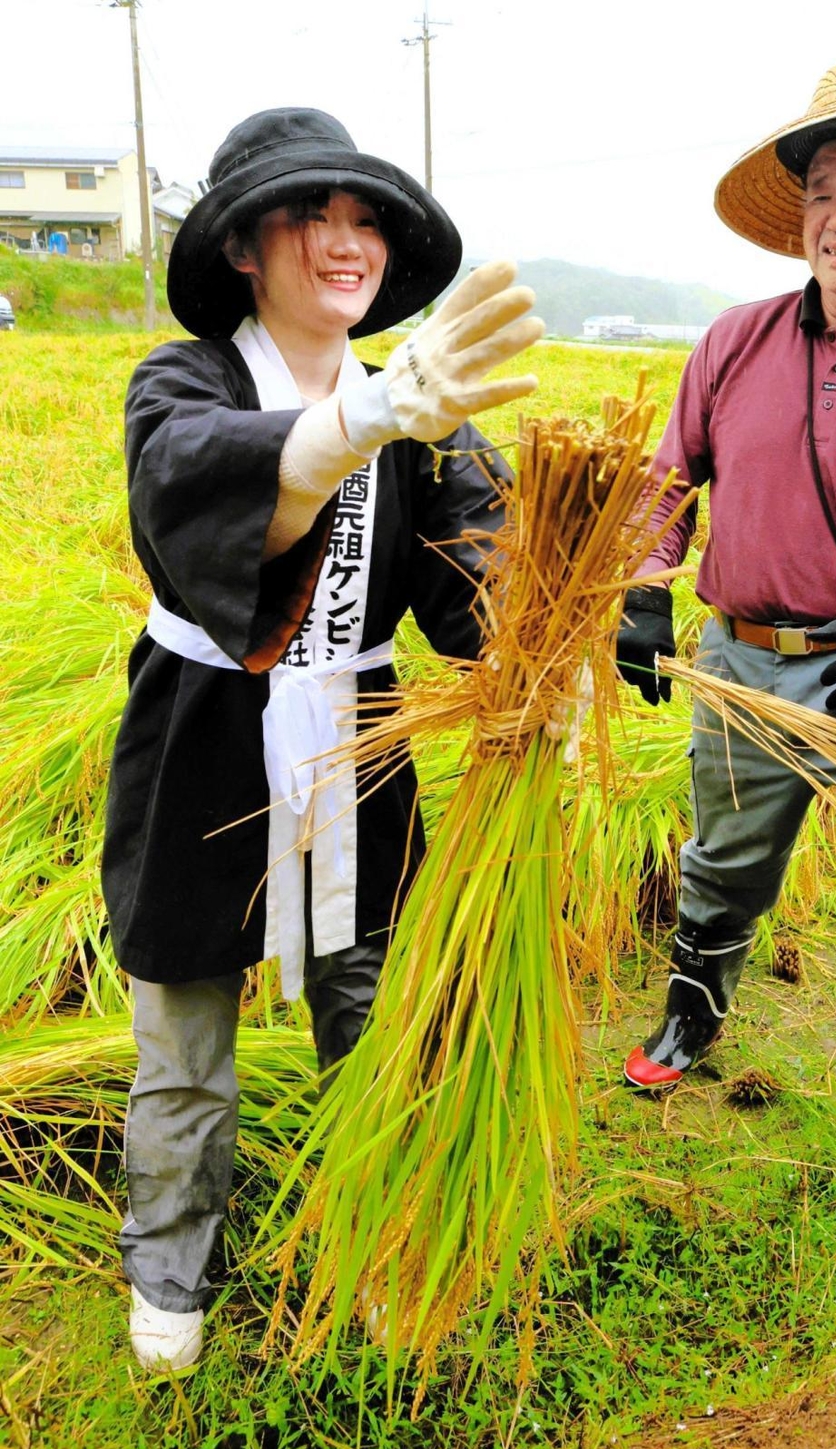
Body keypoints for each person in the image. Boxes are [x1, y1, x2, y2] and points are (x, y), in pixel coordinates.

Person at [102, 106, 543, 1370]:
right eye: (313, 216)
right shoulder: (184, 381)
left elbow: (485, 570)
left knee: (367, 1007)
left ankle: (376, 1227)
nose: (346, 243)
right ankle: (172, 1261)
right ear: (245, 246)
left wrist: (545, 647)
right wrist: (364, 423)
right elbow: (192, 483)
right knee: (185, 1032)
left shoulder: (423, 409)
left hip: (358, 735)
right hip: (201, 740)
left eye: (366, 222)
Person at [616, 59, 836, 1090]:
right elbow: (666, 487)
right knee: (722, 870)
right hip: (742, 668)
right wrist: (645, 589)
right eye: (820, 192)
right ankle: (690, 1013)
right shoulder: (733, 343)